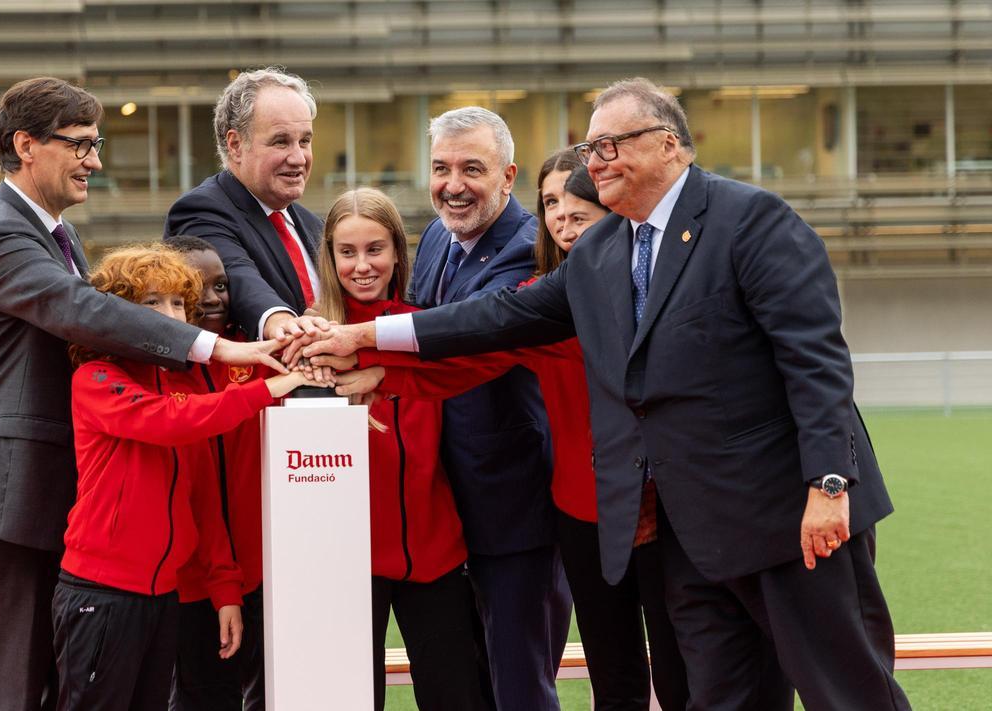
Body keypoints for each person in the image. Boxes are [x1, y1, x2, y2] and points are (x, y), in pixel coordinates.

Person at [301, 77, 909, 711]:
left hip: (793, 518)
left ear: (669, 144)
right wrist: (368, 337)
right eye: (591, 148)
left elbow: (816, 361)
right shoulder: (603, 252)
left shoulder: (751, 220)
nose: (595, 162)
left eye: (612, 145)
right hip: (690, 538)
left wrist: (829, 484)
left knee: (848, 693)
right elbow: (499, 319)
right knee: (720, 700)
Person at [0, 76, 284, 711]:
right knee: (16, 687)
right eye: (80, 144)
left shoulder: (55, 235)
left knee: (60, 685)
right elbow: (82, 311)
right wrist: (211, 346)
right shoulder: (3, 234)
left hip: (46, 490)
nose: (94, 161)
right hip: (8, 491)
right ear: (26, 145)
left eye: (95, 145)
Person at [325, 154, 690, 710]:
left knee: (681, 666)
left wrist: (373, 354)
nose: (562, 218)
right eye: (551, 205)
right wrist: (383, 372)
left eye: (578, 206)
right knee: (613, 674)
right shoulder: (545, 297)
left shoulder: (658, 286)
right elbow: (475, 352)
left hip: (668, 508)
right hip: (584, 511)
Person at [53, 244, 318, 711]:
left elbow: (204, 500)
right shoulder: (95, 379)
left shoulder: (182, 385)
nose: (171, 314)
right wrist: (271, 387)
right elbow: (168, 420)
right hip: (102, 591)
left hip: (163, 598)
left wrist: (225, 591)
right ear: (116, 315)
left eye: (178, 302)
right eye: (151, 302)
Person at [396, 106, 570, 711]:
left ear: (508, 176)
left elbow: (462, 333)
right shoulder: (437, 236)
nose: (453, 185)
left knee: (520, 685)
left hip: (513, 509)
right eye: (441, 168)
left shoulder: (531, 250)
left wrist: (364, 348)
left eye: (472, 168)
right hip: (444, 507)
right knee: (466, 686)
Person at [314, 188, 490, 711]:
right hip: (346, 563)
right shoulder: (309, 336)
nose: (362, 266)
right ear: (330, 257)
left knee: (455, 697)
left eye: (376, 249)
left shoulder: (426, 330)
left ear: (397, 252)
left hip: (435, 553)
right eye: (347, 252)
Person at [167, 236, 269, 711]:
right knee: (204, 696)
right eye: (193, 286)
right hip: (191, 581)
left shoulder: (257, 356)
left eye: (221, 285)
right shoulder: (157, 372)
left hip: (263, 571)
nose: (211, 298)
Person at [165, 67, 329, 345]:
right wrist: (279, 321)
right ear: (236, 145)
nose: (299, 158)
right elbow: (237, 275)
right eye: (281, 142)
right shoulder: (201, 210)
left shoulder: (314, 225)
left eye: (304, 141)